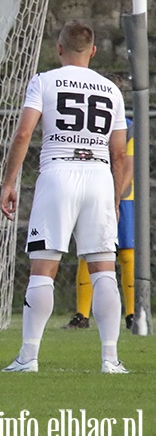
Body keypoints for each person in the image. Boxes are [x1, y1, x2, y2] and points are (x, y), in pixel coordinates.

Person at [0, 20, 128, 374]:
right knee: (104, 269)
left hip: (58, 171)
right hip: (99, 175)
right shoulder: (111, 90)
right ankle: (110, 359)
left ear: (58, 49)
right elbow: (120, 154)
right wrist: (115, 198)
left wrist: (9, 182)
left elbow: (25, 132)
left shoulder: (44, 81)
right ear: (93, 51)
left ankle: (28, 357)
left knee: (44, 268)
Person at [64, 116, 135, 331]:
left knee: (126, 252)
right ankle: (82, 315)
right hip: (94, 192)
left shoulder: (128, 126)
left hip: (122, 196)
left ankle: (132, 314)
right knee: (89, 248)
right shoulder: (85, 122)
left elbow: (128, 164)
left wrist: (114, 197)